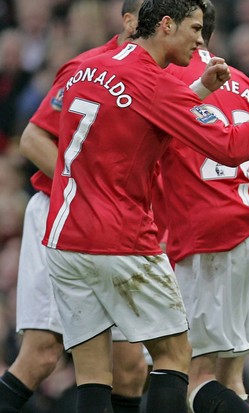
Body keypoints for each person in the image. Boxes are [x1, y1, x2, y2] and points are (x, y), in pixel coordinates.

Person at [41, 1, 249, 412]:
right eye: (195, 28)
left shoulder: (88, 68)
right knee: (175, 357)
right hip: (121, 239)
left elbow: (139, 119)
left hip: (64, 237)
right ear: (166, 25)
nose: (201, 39)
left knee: (94, 374)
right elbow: (232, 146)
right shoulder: (155, 82)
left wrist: (200, 89)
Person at [0, 2, 149, 413]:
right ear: (131, 21)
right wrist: (92, 191)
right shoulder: (89, 68)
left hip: (121, 226)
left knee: (131, 365)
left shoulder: (166, 81)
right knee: (42, 356)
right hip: (61, 212)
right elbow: (32, 140)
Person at [160, 1, 249, 412]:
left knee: (193, 377)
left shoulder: (160, 81)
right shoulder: (245, 83)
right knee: (230, 376)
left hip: (211, 234)